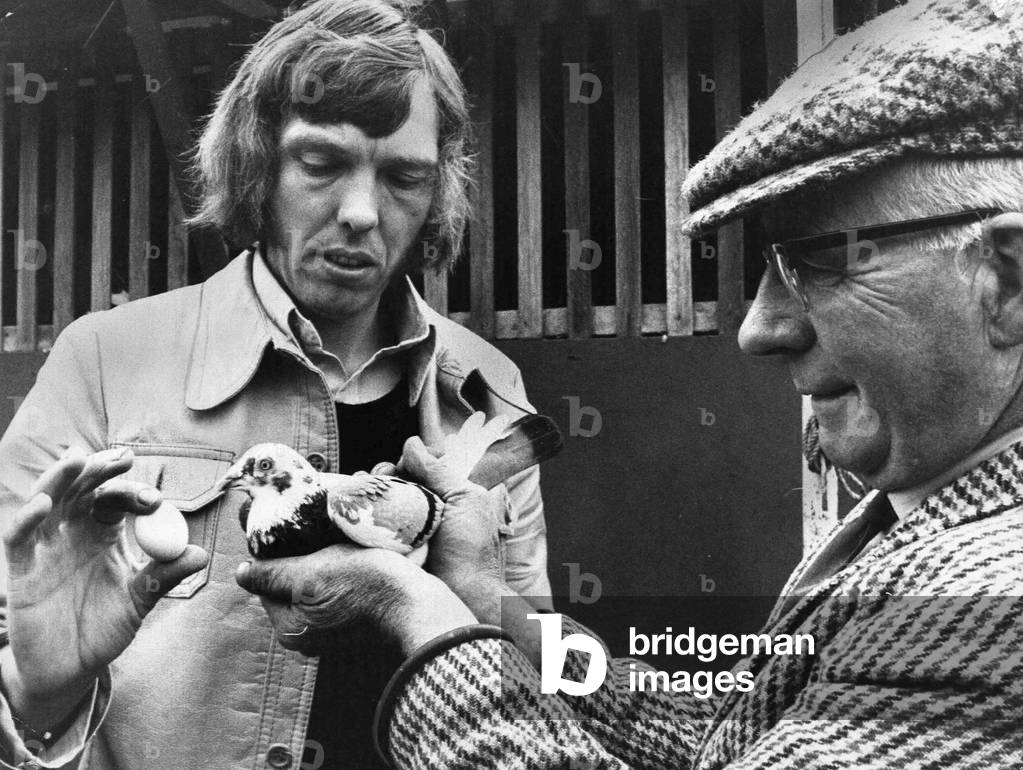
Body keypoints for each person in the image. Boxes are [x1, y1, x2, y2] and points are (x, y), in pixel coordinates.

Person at [243, 1, 1023, 767]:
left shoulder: (994, 596)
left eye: (818, 262)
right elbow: (715, 739)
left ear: (1008, 281)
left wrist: (417, 613)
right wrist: (486, 603)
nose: (759, 329)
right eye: (768, 267)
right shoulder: (915, 520)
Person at [0, 2, 553, 768]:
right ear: (258, 164)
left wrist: (492, 618)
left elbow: (548, 679)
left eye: (403, 176)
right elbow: (20, 664)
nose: (361, 213)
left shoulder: (488, 388)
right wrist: (38, 689)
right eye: (321, 163)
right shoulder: (103, 359)